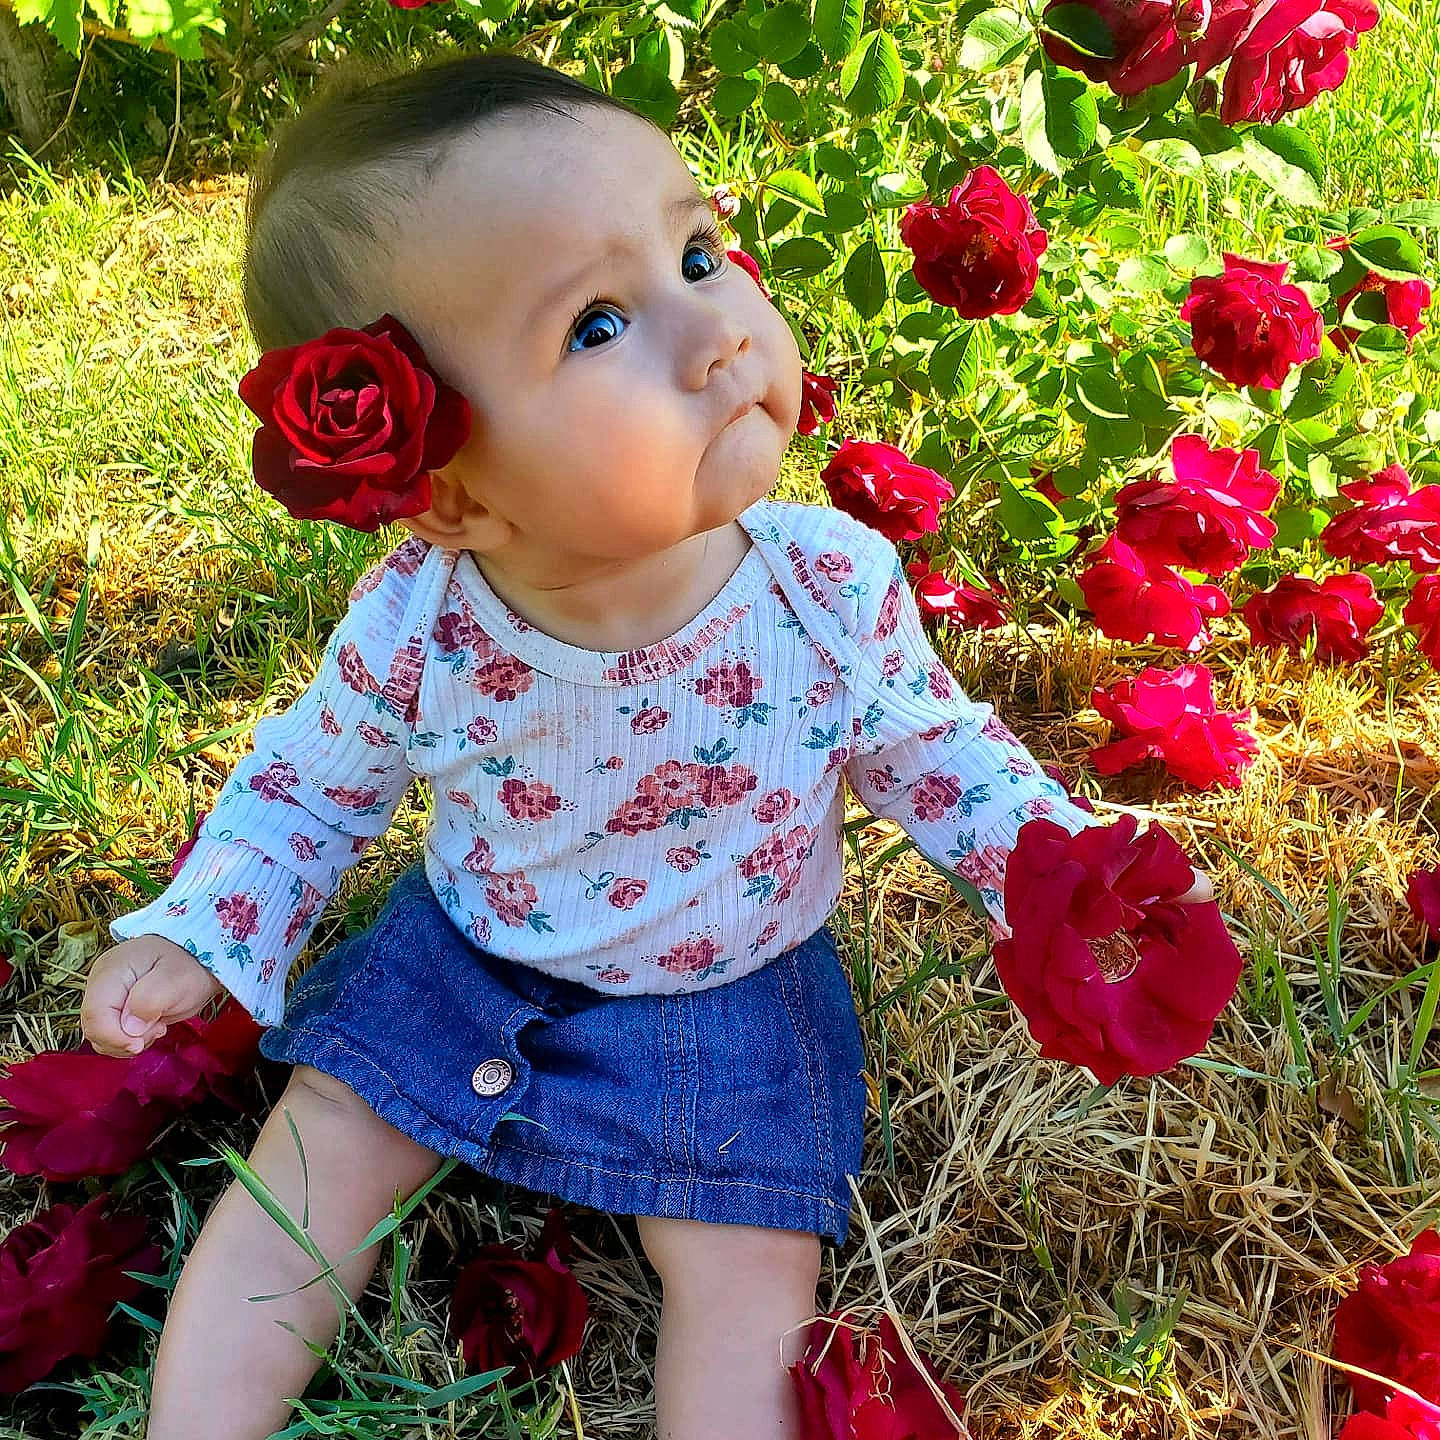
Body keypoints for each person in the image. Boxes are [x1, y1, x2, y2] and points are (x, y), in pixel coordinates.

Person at [80, 48, 1213, 1440]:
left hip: (726, 982)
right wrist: (201, 932)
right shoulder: (420, 623)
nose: (718, 330)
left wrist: (1073, 876)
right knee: (307, 1169)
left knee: (743, 1273)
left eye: (699, 251)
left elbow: (941, 755)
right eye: (600, 325)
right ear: (443, 497)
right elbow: (308, 788)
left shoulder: (822, 587)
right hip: (465, 951)